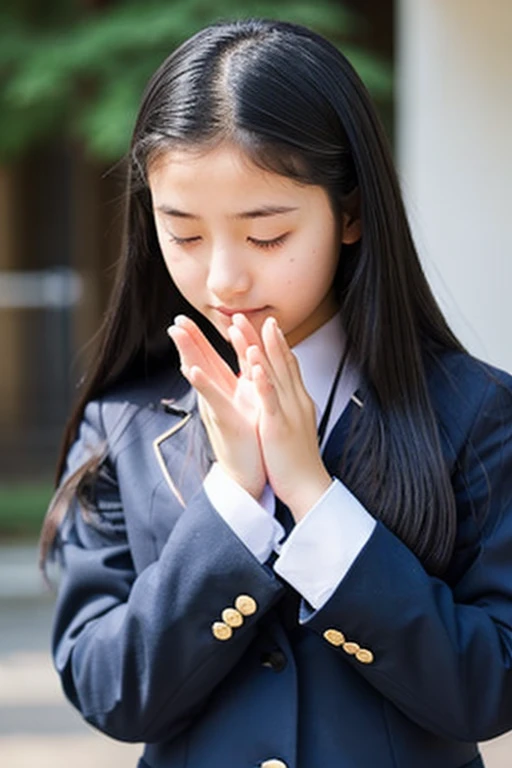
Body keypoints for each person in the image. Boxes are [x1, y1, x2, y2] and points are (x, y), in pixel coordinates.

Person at [41, 17, 512, 768]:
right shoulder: (123, 424)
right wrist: (233, 501)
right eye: (185, 235)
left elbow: (492, 687)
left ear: (350, 211)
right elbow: (109, 690)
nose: (224, 278)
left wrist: (314, 499)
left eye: (265, 236)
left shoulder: (475, 413)